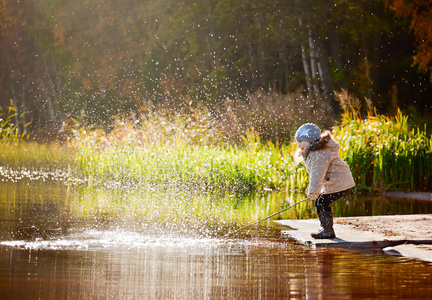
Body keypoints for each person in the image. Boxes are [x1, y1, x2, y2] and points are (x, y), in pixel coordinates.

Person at [295, 123, 355, 239]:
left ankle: (327, 230)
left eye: (301, 141)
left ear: (310, 141)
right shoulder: (314, 151)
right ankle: (326, 228)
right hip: (336, 181)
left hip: (340, 181)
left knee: (321, 201)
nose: (299, 145)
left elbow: (317, 173)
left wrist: (314, 191)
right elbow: (316, 173)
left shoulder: (318, 153)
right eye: (298, 142)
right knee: (320, 201)